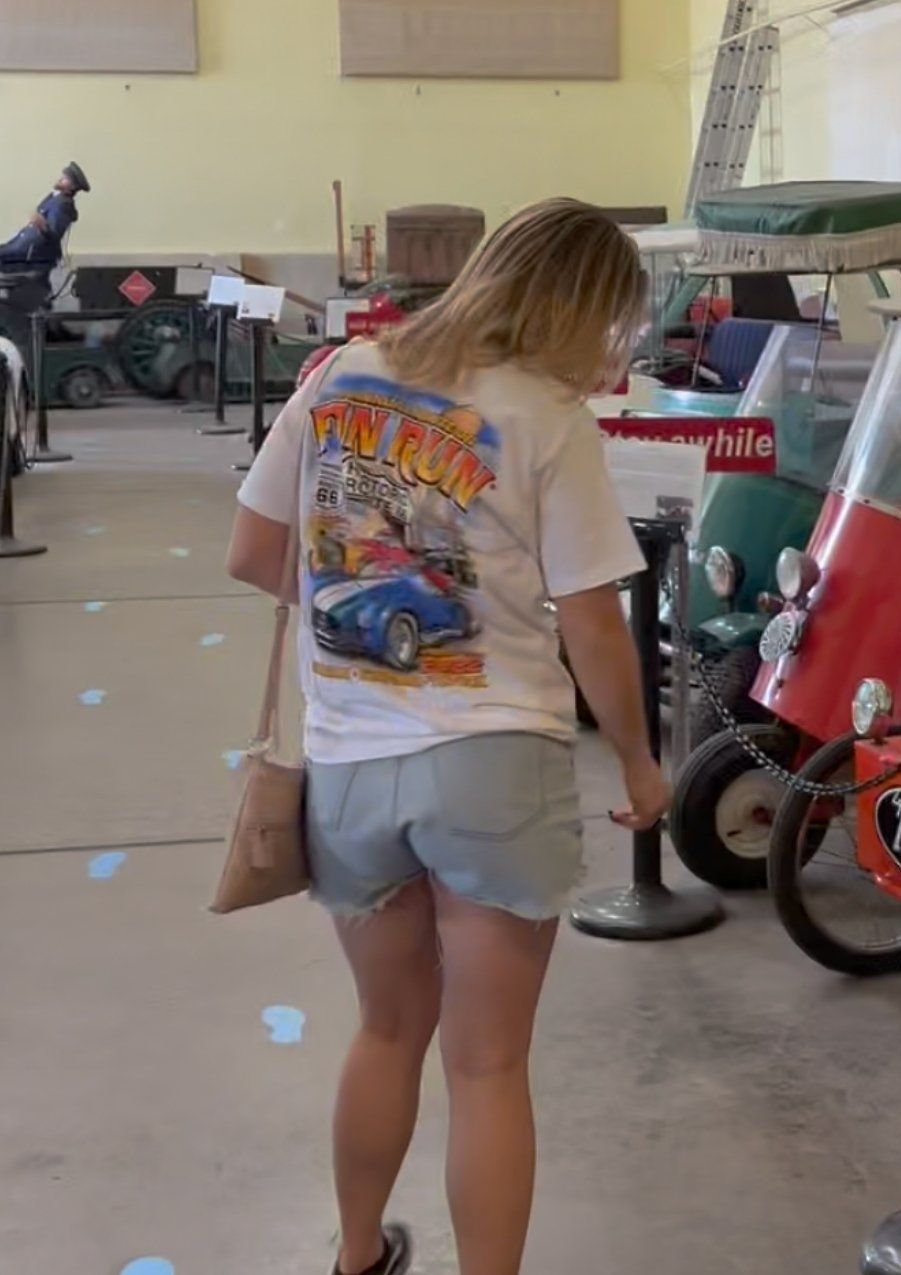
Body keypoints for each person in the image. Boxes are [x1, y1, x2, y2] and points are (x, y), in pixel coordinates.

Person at [227, 198, 670, 1275]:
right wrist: (640, 759)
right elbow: (592, 621)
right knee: (487, 1067)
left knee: (386, 1031)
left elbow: (253, 552)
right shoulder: (548, 416)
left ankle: (356, 1256)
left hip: (347, 763)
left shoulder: (340, 376)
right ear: (581, 311)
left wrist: (361, 611)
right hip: (494, 767)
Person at [0, 162, 90, 276]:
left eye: (66, 179)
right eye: (63, 176)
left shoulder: (63, 205)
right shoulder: (55, 198)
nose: (61, 179)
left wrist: (42, 226)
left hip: (32, 255)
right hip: (22, 248)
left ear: (72, 187)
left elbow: (54, 236)